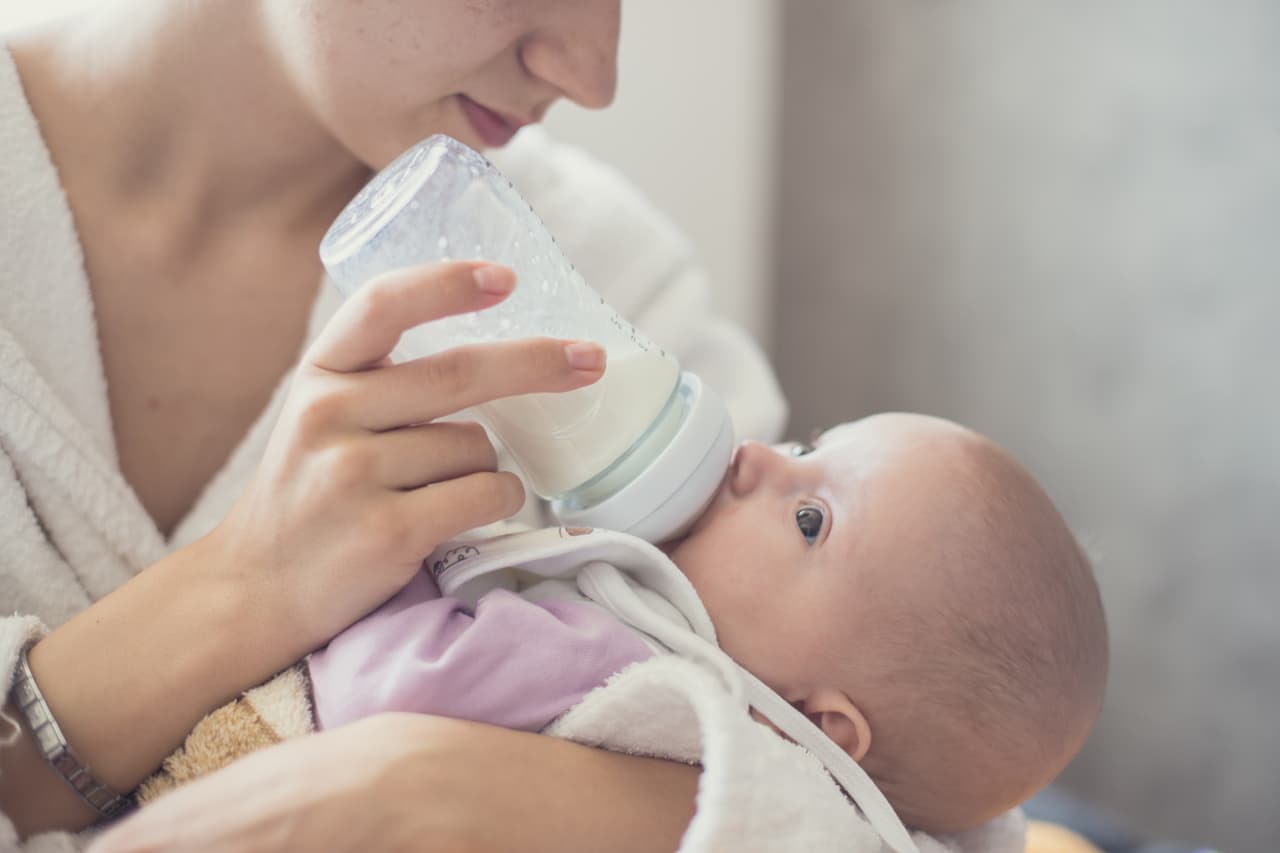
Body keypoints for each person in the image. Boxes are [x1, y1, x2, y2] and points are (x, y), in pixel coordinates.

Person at [0, 1, 790, 850]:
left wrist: (430, 786)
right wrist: (240, 585)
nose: (591, 78)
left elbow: (878, 773)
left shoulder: (600, 275)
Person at [123, 413, 1108, 844]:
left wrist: (404, 559)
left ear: (826, 723)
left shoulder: (628, 668)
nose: (759, 455)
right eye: (809, 445)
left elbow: (377, 697)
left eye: (811, 517)